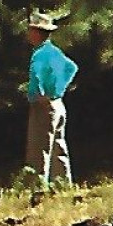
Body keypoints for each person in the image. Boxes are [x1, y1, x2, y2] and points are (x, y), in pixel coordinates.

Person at [25, 11, 78, 188]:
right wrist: (59, 89)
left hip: (43, 106)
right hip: (58, 104)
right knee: (58, 147)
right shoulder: (55, 52)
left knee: (39, 149)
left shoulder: (38, 55)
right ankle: (62, 184)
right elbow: (71, 68)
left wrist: (41, 96)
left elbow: (36, 78)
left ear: (37, 32)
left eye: (31, 29)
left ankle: (37, 188)